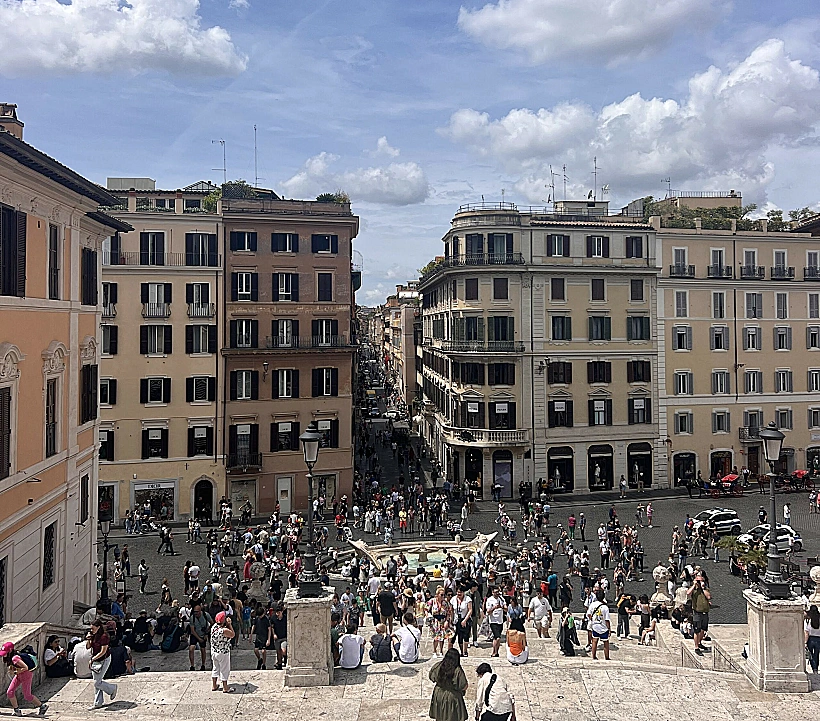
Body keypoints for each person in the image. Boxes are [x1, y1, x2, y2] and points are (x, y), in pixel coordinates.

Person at [0, 643, 47, 716]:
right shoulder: (12, 657)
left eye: (5, 653)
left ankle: (42, 706)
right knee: (10, 691)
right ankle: (16, 710)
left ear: (10, 651)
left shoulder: (14, 658)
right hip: (19, 675)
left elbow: (25, 667)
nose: (3, 655)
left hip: (26, 676)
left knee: (27, 696)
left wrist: (15, 672)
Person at [429, 648, 468, 721]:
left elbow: (431, 677)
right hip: (452, 697)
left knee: (440, 715)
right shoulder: (457, 671)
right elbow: (464, 686)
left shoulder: (438, 665)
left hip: (439, 694)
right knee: (452, 717)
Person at [87, 619, 118, 708]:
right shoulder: (93, 635)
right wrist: (89, 639)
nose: (91, 630)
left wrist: (92, 659)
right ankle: (98, 702)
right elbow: (88, 647)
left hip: (104, 659)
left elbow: (103, 651)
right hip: (96, 660)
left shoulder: (104, 636)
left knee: (97, 682)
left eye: (93, 629)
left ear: (98, 627)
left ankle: (112, 689)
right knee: (97, 681)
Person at [210, 611, 235, 692]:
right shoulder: (223, 630)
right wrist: (230, 624)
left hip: (214, 651)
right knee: (224, 669)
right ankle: (225, 687)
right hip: (223, 652)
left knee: (215, 668)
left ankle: (214, 685)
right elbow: (232, 634)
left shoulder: (214, 627)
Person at [687, 573, 711, 656]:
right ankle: (696, 647)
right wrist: (694, 585)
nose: (700, 582)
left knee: (703, 629)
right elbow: (688, 593)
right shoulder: (694, 589)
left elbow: (708, 597)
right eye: (698, 580)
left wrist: (703, 587)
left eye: (701, 580)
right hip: (697, 612)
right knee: (697, 630)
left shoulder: (705, 589)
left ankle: (700, 642)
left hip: (705, 611)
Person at [585, 589, 611, 660]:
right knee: (605, 642)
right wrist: (609, 629)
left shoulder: (592, 604)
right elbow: (607, 620)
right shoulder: (605, 607)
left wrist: (592, 620)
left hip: (595, 626)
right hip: (603, 627)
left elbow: (588, 614)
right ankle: (607, 657)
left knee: (594, 641)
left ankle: (593, 656)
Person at [484, 586, 507, 657]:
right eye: (495, 592)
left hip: (500, 620)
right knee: (498, 637)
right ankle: (495, 651)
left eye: (498, 592)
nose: (497, 594)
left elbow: (506, 609)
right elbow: (488, 611)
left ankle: (495, 652)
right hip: (493, 621)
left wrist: (502, 607)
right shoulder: (489, 600)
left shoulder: (501, 599)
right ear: (492, 592)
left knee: (495, 637)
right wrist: (494, 608)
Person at [188, 604, 211, 671]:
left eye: (197, 612)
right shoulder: (192, 618)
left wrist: (207, 633)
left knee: (203, 650)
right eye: (195, 612)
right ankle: (192, 665)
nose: (196, 613)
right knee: (191, 648)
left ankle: (203, 664)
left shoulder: (206, 615)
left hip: (203, 634)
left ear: (200, 611)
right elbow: (192, 630)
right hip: (195, 634)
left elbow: (212, 623)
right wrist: (199, 638)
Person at [252, 605, 272, 670]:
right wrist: (250, 635)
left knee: (263, 651)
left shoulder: (266, 619)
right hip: (258, 636)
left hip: (264, 637)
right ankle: (259, 659)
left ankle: (264, 663)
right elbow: (254, 626)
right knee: (255, 650)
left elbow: (269, 629)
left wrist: (268, 639)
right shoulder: (257, 618)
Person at [271, 605, 288, 670]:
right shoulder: (273, 618)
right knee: (278, 651)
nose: (277, 614)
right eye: (276, 612)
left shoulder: (285, 618)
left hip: (284, 637)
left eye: (279, 612)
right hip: (277, 638)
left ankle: (285, 657)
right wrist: (274, 634)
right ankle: (279, 664)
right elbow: (272, 627)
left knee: (283, 650)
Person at [806, 605, 820, 674]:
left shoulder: (809, 620)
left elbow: (807, 632)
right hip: (818, 639)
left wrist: (805, 642)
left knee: (810, 655)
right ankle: (816, 668)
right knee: (816, 655)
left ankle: (813, 668)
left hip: (811, 639)